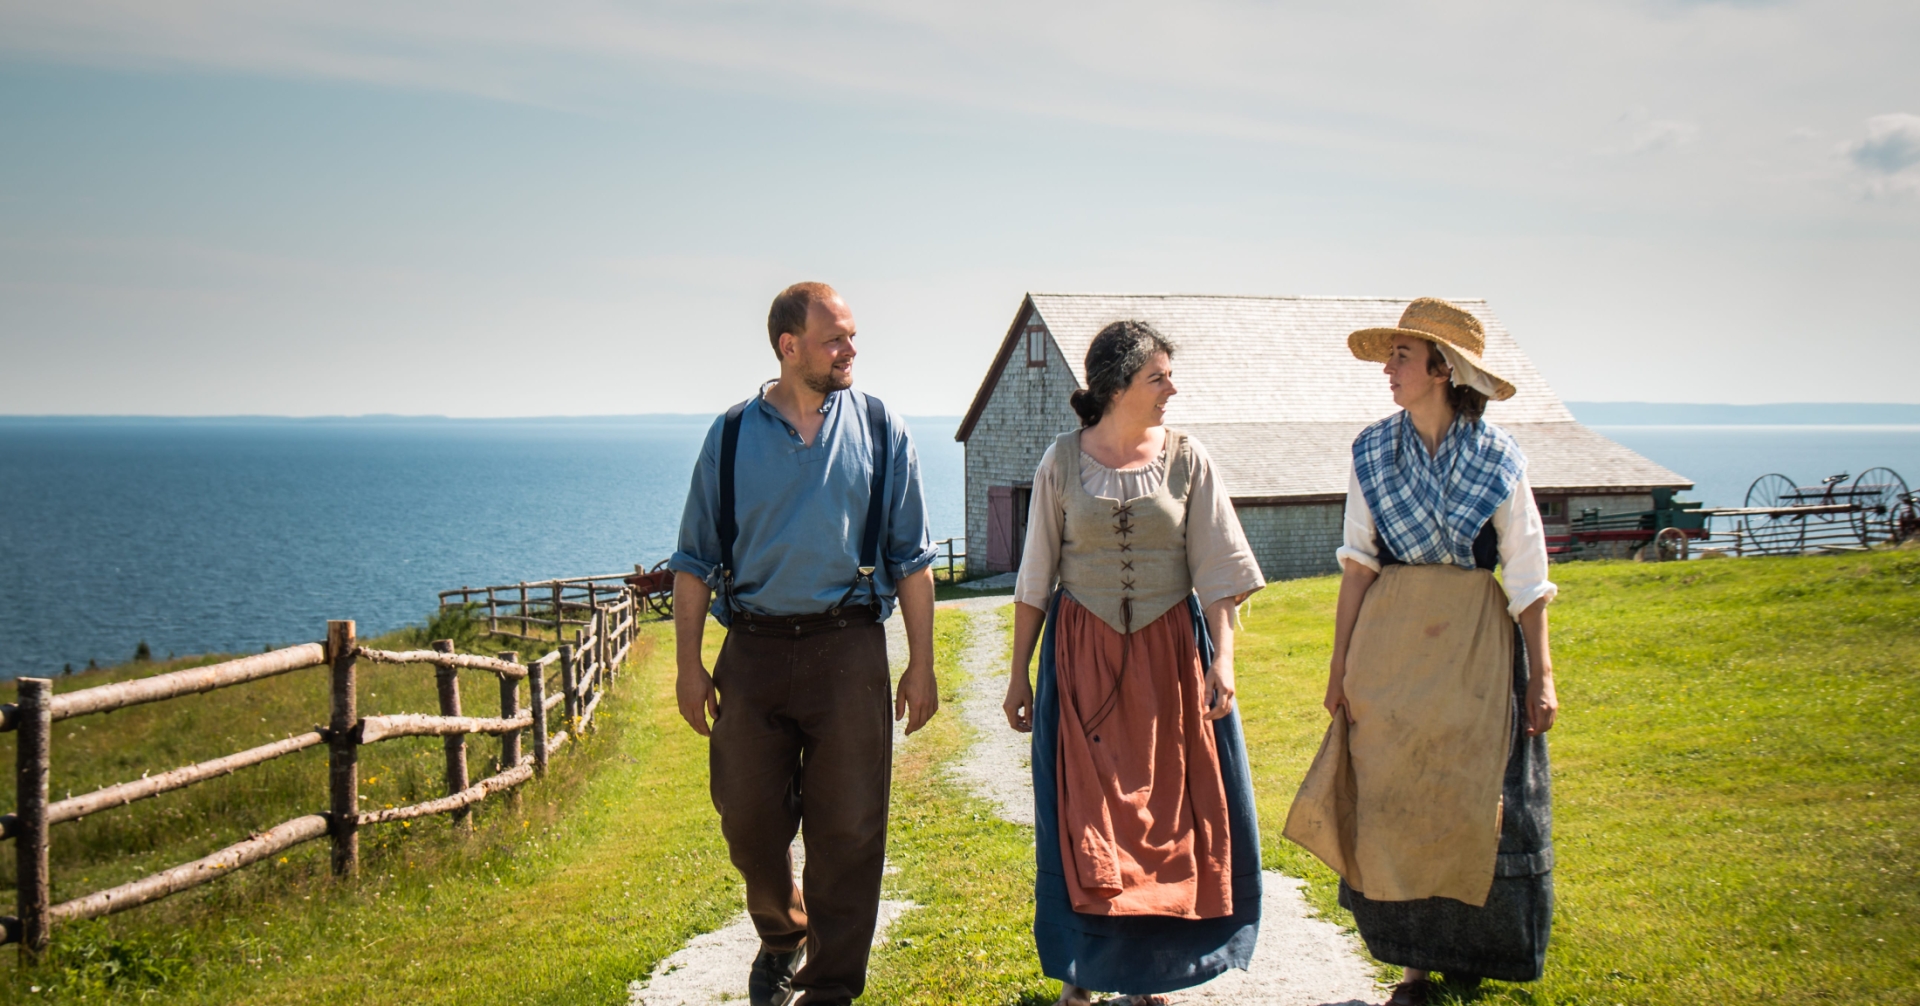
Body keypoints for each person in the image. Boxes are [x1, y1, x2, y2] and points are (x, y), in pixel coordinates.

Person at [668, 282, 941, 1006]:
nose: (850, 350)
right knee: (748, 820)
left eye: (852, 337)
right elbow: (693, 561)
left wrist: (922, 664)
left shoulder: (883, 428)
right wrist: (689, 666)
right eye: (835, 339)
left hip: (848, 648)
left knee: (849, 828)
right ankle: (783, 931)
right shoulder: (729, 436)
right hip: (752, 652)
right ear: (789, 348)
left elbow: (912, 557)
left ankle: (829, 987)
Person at [1283, 298, 1560, 1006]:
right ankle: (1412, 970)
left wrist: (1543, 678)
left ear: (1445, 369)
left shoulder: (1499, 460)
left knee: (1470, 795)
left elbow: (1528, 577)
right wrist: (1339, 668)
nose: (1388, 368)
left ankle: (1471, 949)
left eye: (1403, 356)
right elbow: (1357, 565)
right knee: (1393, 795)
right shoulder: (1374, 450)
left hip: (1474, 648)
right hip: (1390, 644)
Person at [1002, 320, 1267, 1006]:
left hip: (1169, 662)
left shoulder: (1188, 458)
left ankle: (1152, 979)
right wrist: (1016, 674)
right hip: (1083, 662)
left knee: (1165, 819)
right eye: (1158, 377)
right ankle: (1081, 974)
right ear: (1117, 385)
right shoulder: (1061, 462)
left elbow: (1217, 571)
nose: (1171, 388)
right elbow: (1035, 579)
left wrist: (1225, 660)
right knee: (1086, 817)